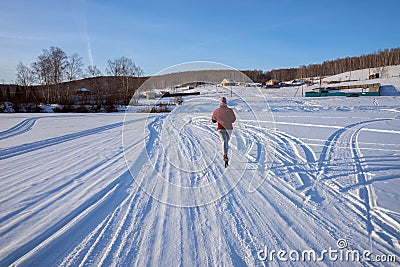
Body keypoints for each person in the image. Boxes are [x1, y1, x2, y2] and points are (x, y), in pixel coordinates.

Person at [212, 97, 236, 167]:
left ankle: (225, 156)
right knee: (226, 142)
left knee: (223, 141)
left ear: (220, 103)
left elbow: (213, 120)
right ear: (226, 103)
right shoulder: (230, 110)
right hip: (229, 129)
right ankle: (225, 155)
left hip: (220, 128)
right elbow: (233, 120)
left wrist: (218, 119)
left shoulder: (217, 111)